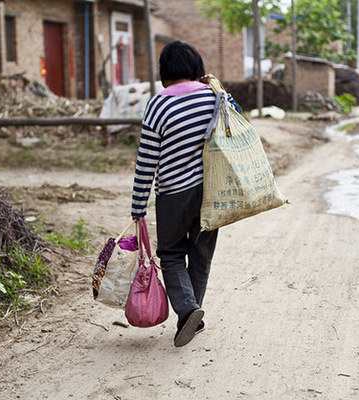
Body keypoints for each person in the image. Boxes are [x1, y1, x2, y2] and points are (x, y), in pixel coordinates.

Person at [130, 41, 239, 347]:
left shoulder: (158, 105)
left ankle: (189, 310)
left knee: (172, 254)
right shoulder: (213, 96)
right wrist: (216, 86)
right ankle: (191, 314)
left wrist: (138, 205)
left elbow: (146, 161)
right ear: (196, 68)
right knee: (201, 253)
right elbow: (237, 117)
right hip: (213, 190)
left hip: (174, 194)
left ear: (165, 72)